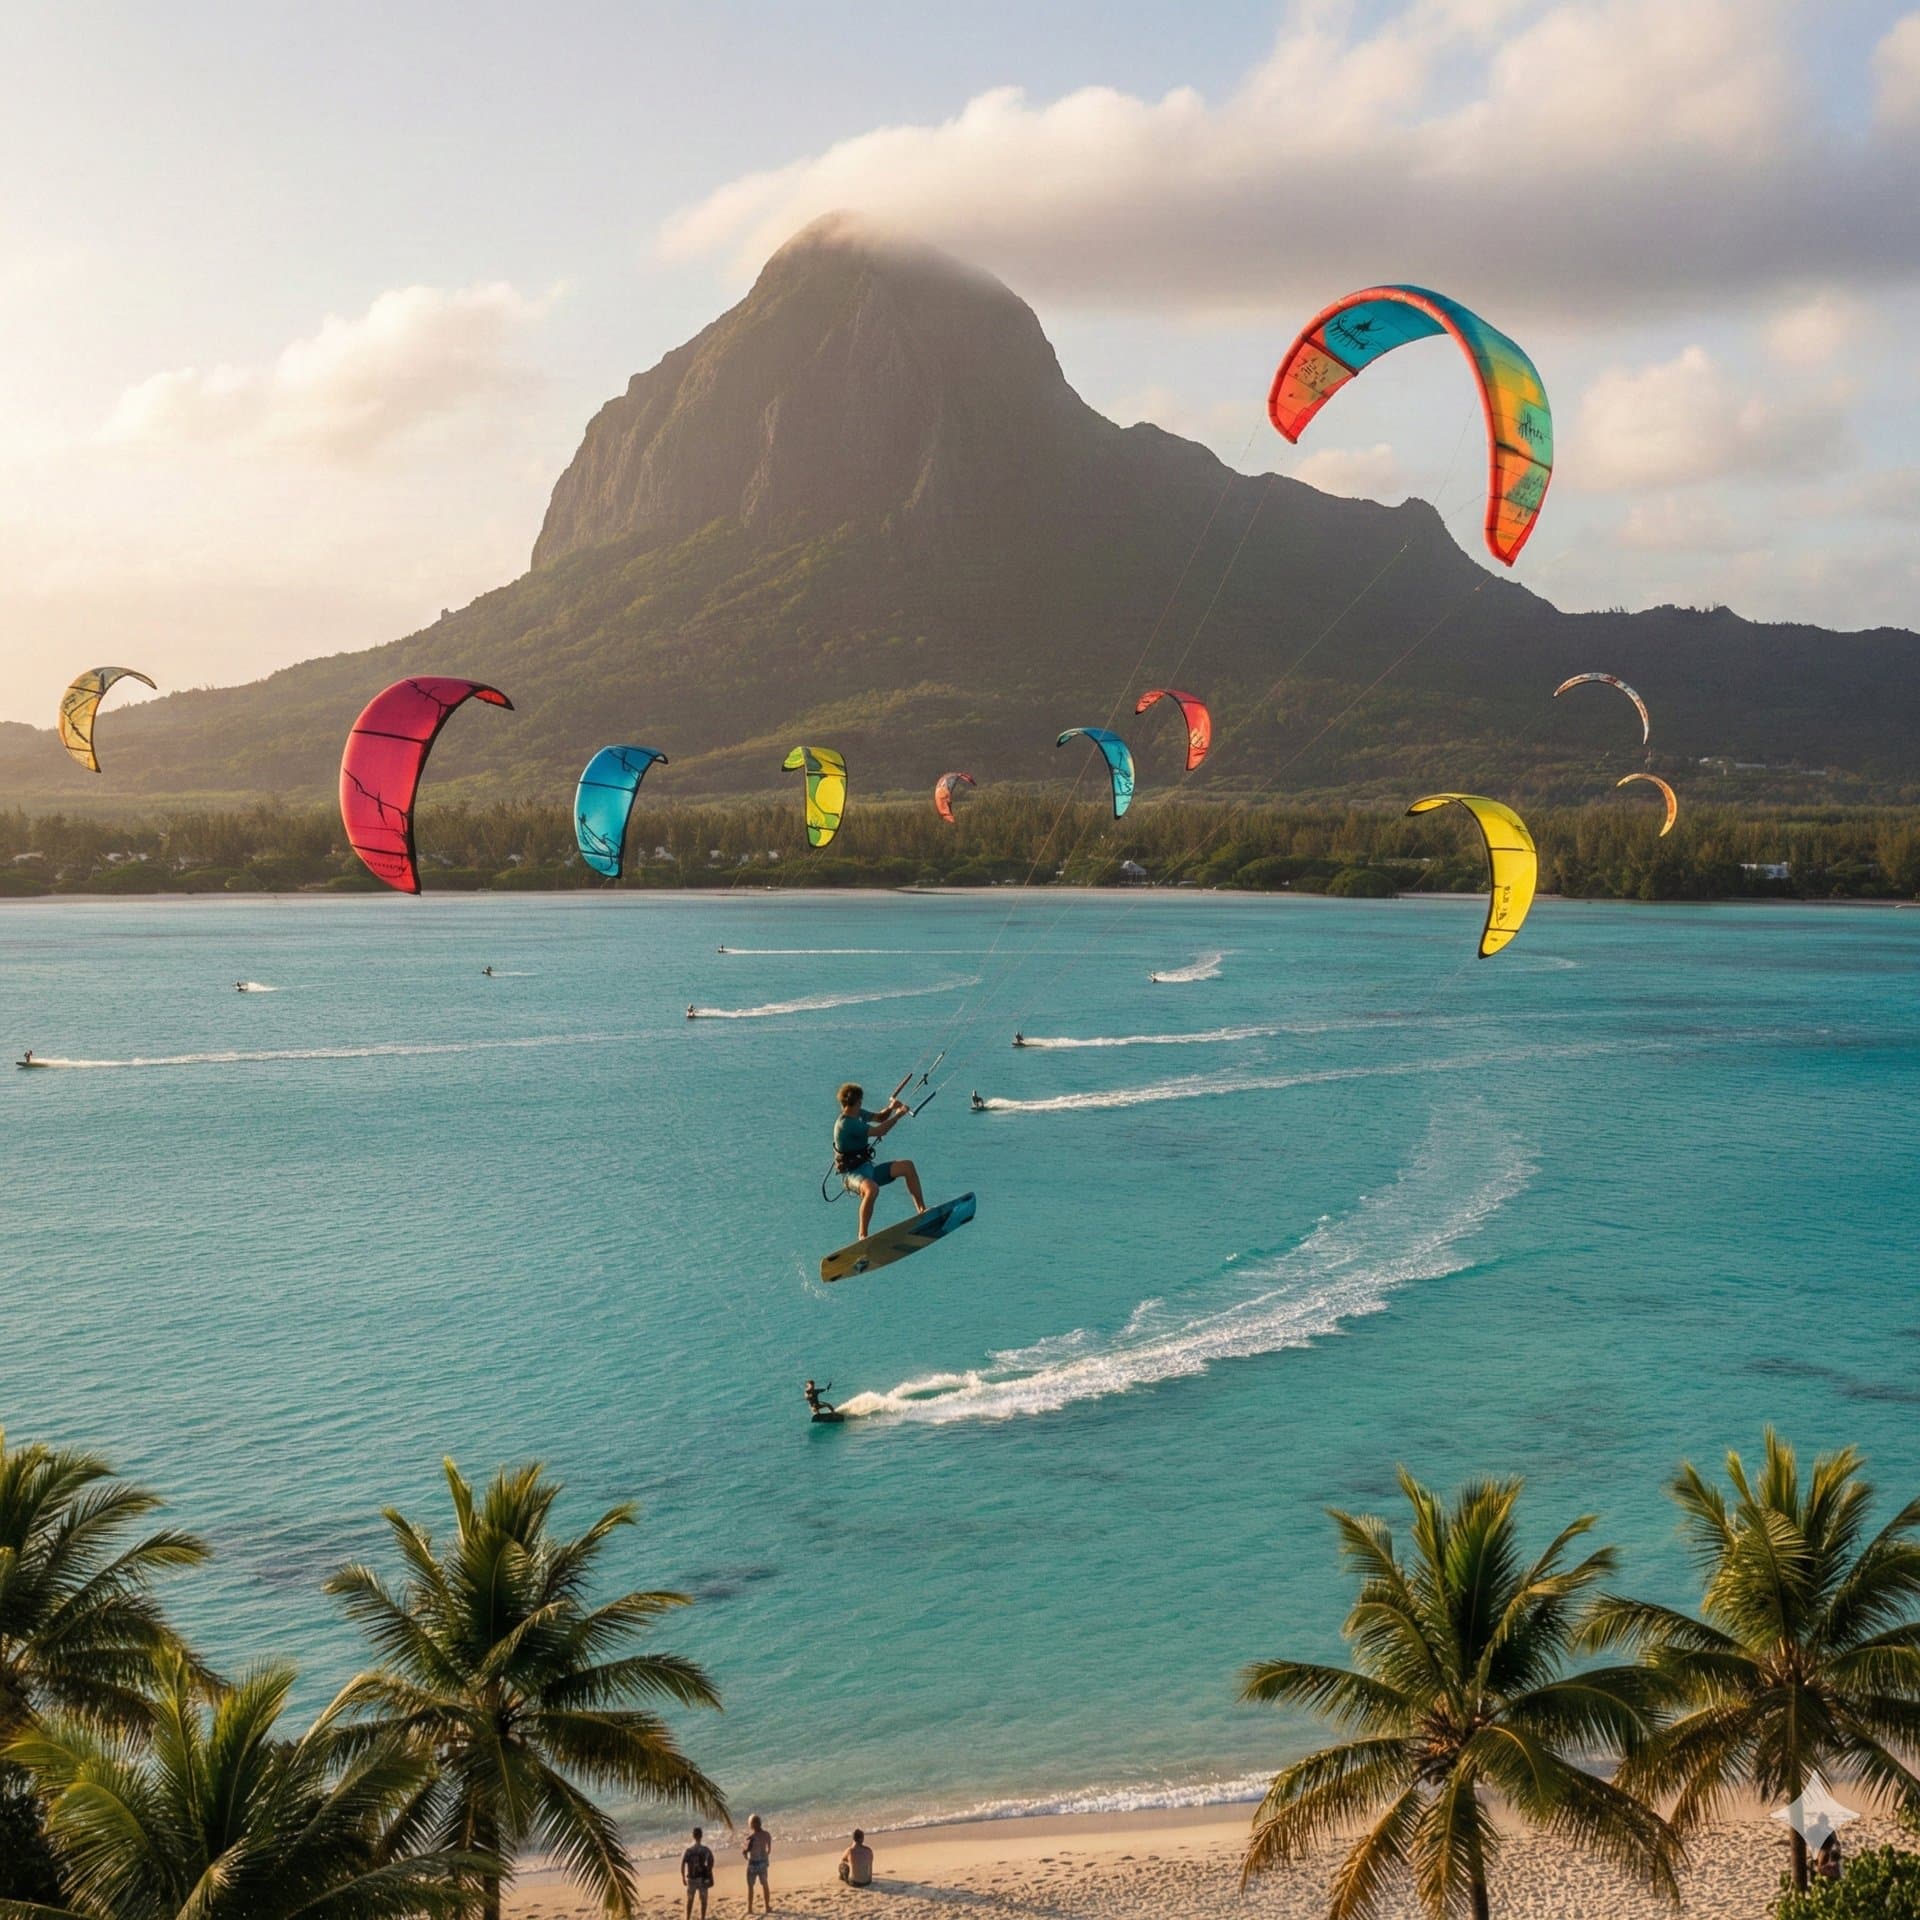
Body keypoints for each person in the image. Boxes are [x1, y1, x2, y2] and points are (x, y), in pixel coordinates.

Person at [833, 1082, 925, 1239]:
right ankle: (862, 1235)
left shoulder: (857, 1113)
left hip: (869, 1170)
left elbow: (880, 1118)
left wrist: (891, 1107)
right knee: (872, 1189)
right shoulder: (846, 1124)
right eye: (861, 1100)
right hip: (852, 1175)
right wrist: (898, 1115)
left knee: (907, 1166)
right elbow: (880, 1131)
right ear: (857, 1101)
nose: (861, 1103)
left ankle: (922, 1210)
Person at [681, 1826, 716, 1918]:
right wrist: (708, 1871)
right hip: (702, 1879)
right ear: (701, 1836)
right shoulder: (705, 1850)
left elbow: (683, 1863)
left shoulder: (688, 1850)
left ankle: (687, 1917)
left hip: (691, 1879)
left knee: (690, 1900)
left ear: (693, 1836)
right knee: (703, 1901)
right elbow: (711, 1861)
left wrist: (683, 1877)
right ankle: (702, 1917)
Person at [742, 1814, 773, 1911]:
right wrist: (764, 1856)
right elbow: (769, 1850)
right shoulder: (767, 1835)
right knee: (765, 1884)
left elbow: (744, 1852)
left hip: (753, 1864)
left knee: (750, 1887)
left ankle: (750, 1908)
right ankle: (767, 1906)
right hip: (762, 1863)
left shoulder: (750, 1838)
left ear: (751, 1825)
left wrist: (747, 1857)